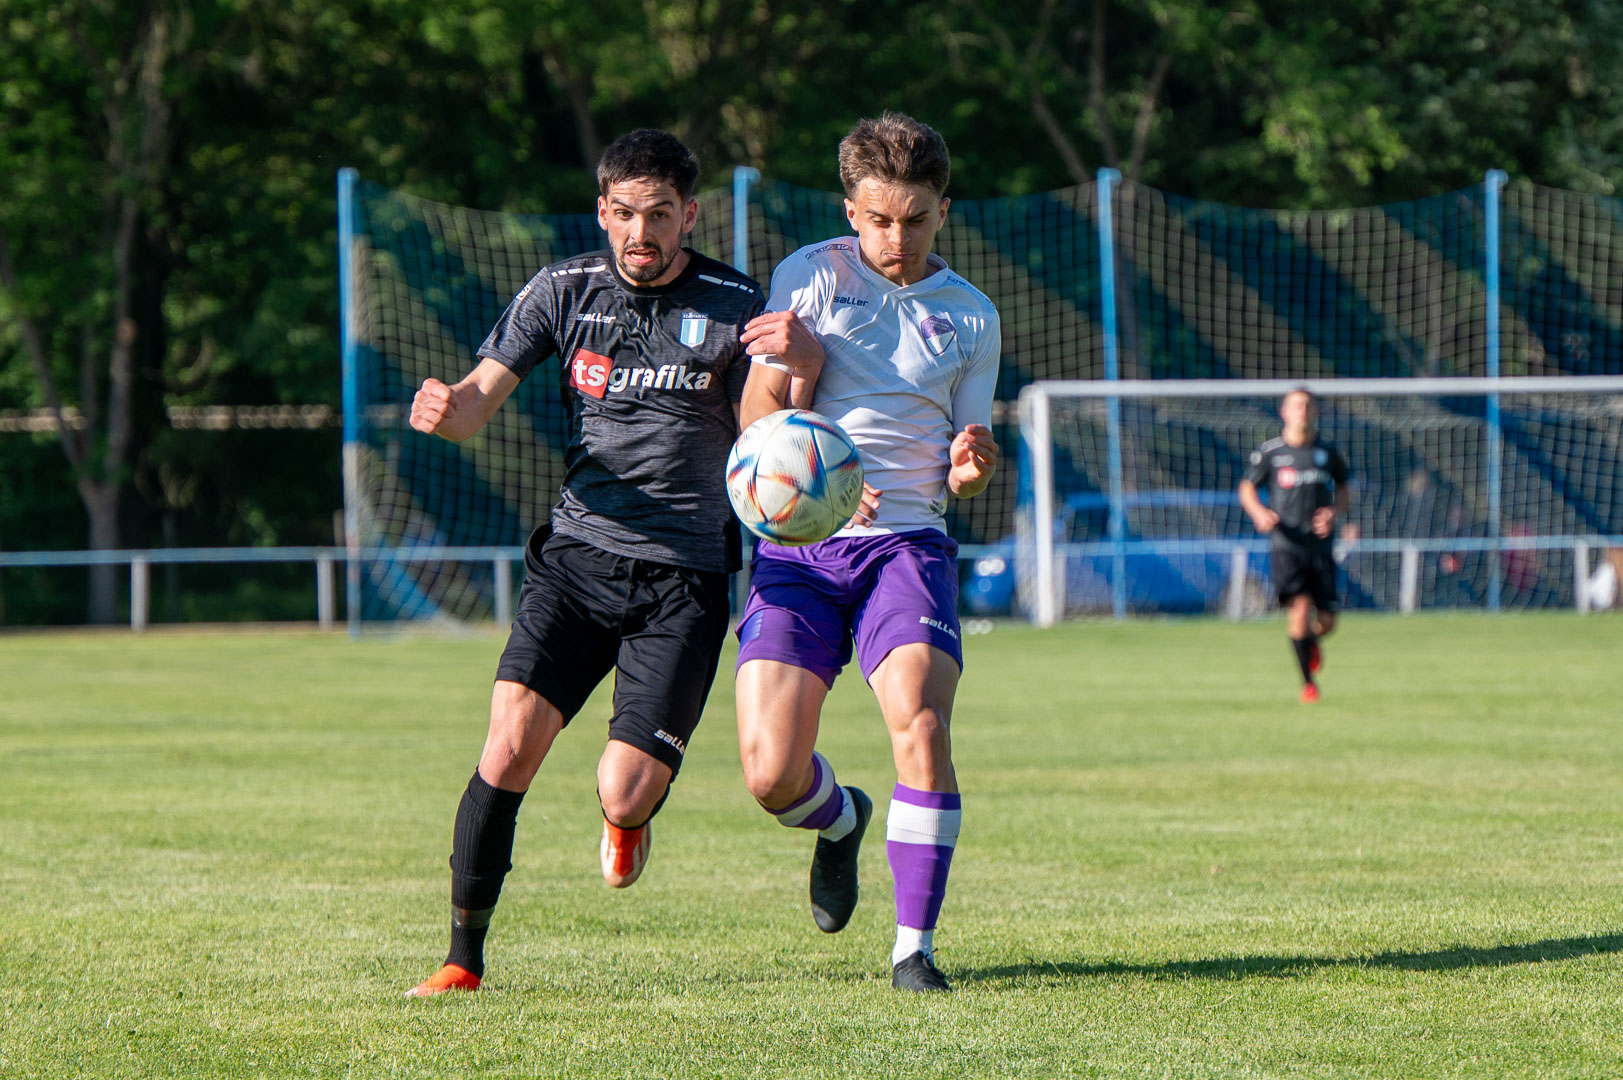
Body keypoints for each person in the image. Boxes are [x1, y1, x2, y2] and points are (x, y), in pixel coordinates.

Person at [403, 130, 764, 996]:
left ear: (689, 215)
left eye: (660, 215)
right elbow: (476, 401)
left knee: (625, 789)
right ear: (603, 211)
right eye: (626, 213)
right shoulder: (562, 289)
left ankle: (627, 819)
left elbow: (762, 432)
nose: (642, 232)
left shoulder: (736, 304)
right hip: (576, 561)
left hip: (684, 579)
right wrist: (447, 407)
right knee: (508, 746)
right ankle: (461, 960)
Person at [732, 113, 1001, 993]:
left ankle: (912, 949)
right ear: (850, 211)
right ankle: (840, 819)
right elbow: (754, 419)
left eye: (915, 218)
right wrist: (828, 479)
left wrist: (967, 471)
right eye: (879, 219)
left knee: (920, 720)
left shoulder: (971, 316)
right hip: (800, 548)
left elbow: (965, 466)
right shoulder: (808, 277)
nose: (897, 237)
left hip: (908, 544)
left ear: (942, 210)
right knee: (771, 776)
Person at [1238, 388, 1350, 703]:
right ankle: (1308, 685)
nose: (1302, 410)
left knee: (1327, 622)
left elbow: (1344, 490)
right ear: (1284, 412)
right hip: (1286, 545)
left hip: (1321, 547)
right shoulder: (1270, 452)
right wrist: (1260, 513)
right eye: (1296, 405)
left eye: (1307, 405)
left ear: (1315, 412)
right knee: (1299, 609)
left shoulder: (1328, 452)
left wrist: (1334, 512)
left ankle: (1310, 642)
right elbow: (1247, 488)